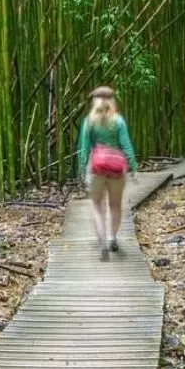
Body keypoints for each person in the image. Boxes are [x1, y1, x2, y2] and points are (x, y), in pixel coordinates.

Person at [77, 86, 138, 260]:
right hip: (117, 169)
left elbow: (84, 148)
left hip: (97, 168)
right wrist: (133, 167)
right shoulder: (118, 121)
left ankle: (102, 240)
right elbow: (126, 145)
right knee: (115, 205)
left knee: (96, 205)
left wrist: (82, 169)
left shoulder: (89, 121)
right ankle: (112, 237)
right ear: (113, 100)